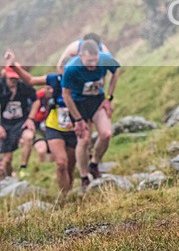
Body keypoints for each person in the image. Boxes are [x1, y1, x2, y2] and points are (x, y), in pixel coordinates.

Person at [5, 51, 75, 194]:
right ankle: (65, 196)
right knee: (61, 162)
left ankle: (71, 190)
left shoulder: (80, 80)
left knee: (70, 164)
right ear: (60, 69)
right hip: (54, 125)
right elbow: (31, 80)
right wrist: (14, 66)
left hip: (75, 126)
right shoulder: (54, 79)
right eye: (64, 71)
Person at [61, 39, 121, 191]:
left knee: (106, 134)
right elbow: (66, 95)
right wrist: (78, 119)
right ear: (80, 56)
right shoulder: (71, 68)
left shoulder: (104, 59)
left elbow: (117, 70)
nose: (93, 65)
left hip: (97, 101)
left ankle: (94, 164)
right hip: (77, 104)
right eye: (88, 61)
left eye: (95, 61)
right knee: (84, 139)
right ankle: (83, 176)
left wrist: (109, 97)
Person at [0, 66, 38, 179]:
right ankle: (8, 178)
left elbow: (36, 100)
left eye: (16, 78)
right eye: (11, 78)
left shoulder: (23, 86)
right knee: (7, 159)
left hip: (20, 121)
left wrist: (30, 118)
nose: (14, 81)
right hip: (4, 123)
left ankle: (23, 167)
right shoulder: (1, 86)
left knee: (29, 136)